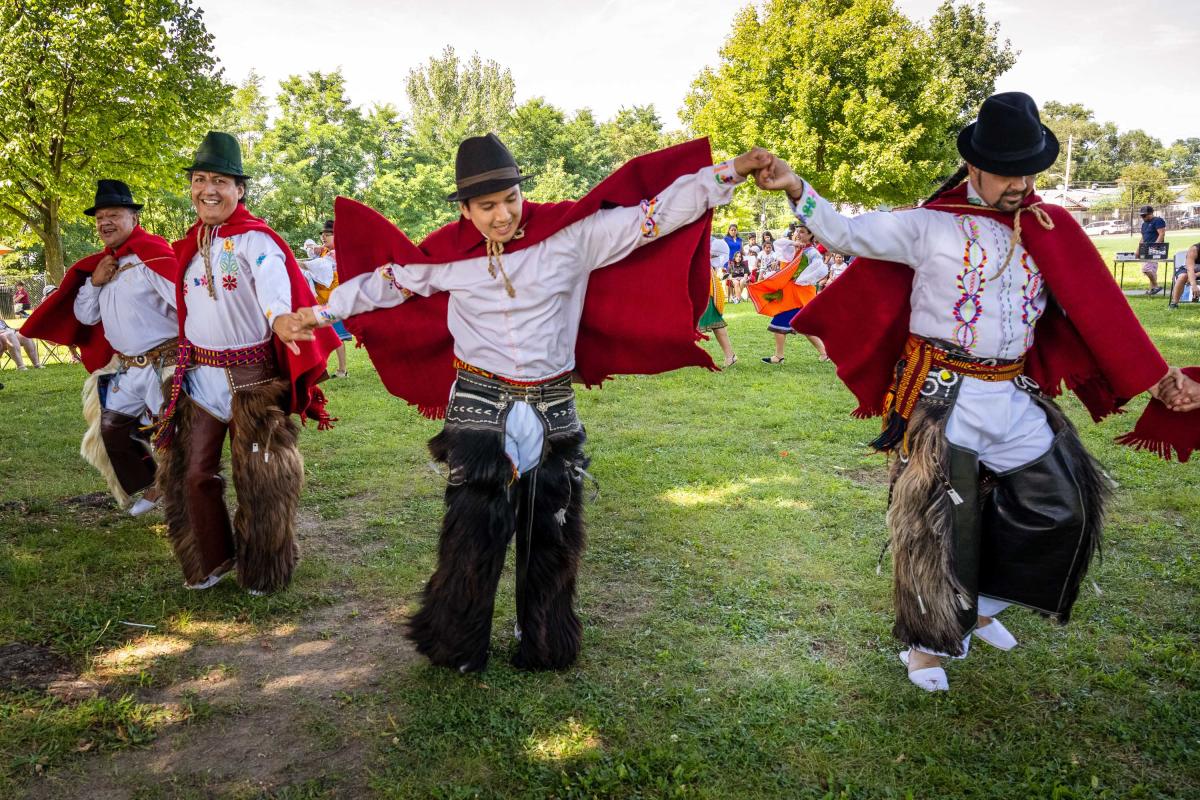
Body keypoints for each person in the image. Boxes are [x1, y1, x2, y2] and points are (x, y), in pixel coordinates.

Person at [756, 91, 1200, 692]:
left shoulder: (1051, 228)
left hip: (1014, 394)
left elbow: (1101, 310)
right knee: (935, 525)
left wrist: (1159, 376)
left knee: (1063, 503)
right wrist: (794, 185)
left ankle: (983, 604)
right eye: (1007, 171)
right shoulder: (927, 225)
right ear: (973, 168)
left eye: (1028, 169)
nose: (1020, 183)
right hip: (942, 397)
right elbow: (843, 233)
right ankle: (924, 646)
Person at [276, 134, 770, 672]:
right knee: (472, 530)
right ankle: (459, 646)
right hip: (478, 400)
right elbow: (386, 283)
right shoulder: (448, 258)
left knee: (552, 528)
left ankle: (544, 640)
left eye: (509, 199)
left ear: (521, 192)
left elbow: (655, 215)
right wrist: (314, 314)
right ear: (465, 210)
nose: (502, 215)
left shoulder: (572, 238)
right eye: (486, 207)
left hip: (552, 400)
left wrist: (730, 172)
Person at [152, 131, 339, 593]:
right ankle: (209, 560)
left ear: (240, 190)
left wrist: (280, 319)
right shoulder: (189, 248)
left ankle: (264, 568)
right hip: (199, 381)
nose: (208, 189)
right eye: (199, 179)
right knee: (192, 475)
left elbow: (275, 288)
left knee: (261, 479)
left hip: (252, 382)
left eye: (220, 180)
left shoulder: (258, 241)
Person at [22, 180, 179, 515]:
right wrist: (95, 281)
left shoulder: (152, 258)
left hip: (164, 364)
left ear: (134, 218)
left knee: (174, 437)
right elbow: (85, 314)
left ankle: (185, 498)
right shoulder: (103, 265)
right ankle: (154, 483)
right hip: (125, 367)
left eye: (113, 214)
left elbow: (185, 304)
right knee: (112, 430)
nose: (104, 222)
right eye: (100, 217)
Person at [753, 225, 828, 363]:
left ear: (811, 235)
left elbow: (821, 270)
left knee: (779, 323)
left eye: (803, 232)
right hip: (789, 293)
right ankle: (824, 353)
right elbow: (777, 243)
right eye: (797, 231)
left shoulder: (812, 253)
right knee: (803, 326)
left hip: (800, 294)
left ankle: (778, 356)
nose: (798, 234)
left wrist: (801, 279)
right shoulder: (792, 247)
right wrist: (794, 243)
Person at [300, 220, 350, 378]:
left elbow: (316, 265)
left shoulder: (336, 253)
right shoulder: (324, 250)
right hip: (323, 301)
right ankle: (321, 368)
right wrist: (311, 247)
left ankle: (342, 370)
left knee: (336, 336)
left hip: (336, 301)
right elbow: (311, 249)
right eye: (323, 234)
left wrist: (294, 263)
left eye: (328, 234)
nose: (324, 237)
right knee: (322, 335)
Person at [699, 237, 737, 367]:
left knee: (716, 322)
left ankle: (730, 355)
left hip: (704, 287)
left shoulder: (704, 238)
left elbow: (720, 252)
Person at [1139, 205, 1167, 295]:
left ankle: (1156, 286)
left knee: (1146, 269)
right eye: (1141, 216)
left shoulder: (1158, 221)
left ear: (1151, 213)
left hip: (1157, 248)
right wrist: (1138, 249)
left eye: (1144, 215)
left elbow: (1161, 234)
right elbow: (1143, 237)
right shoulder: (1144, 224)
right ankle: (1152, 290)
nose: (1143, 217)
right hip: (1146, 248)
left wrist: (1155, 246)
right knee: (1151, 269)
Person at [1168, 242, 1199, 309]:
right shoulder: (1194, 249)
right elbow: (1190, 269)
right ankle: (1174, 303)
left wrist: (1196, 275)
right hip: (1188, 269)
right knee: (1182, 276)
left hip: (1197, 272)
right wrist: (1193, 285)